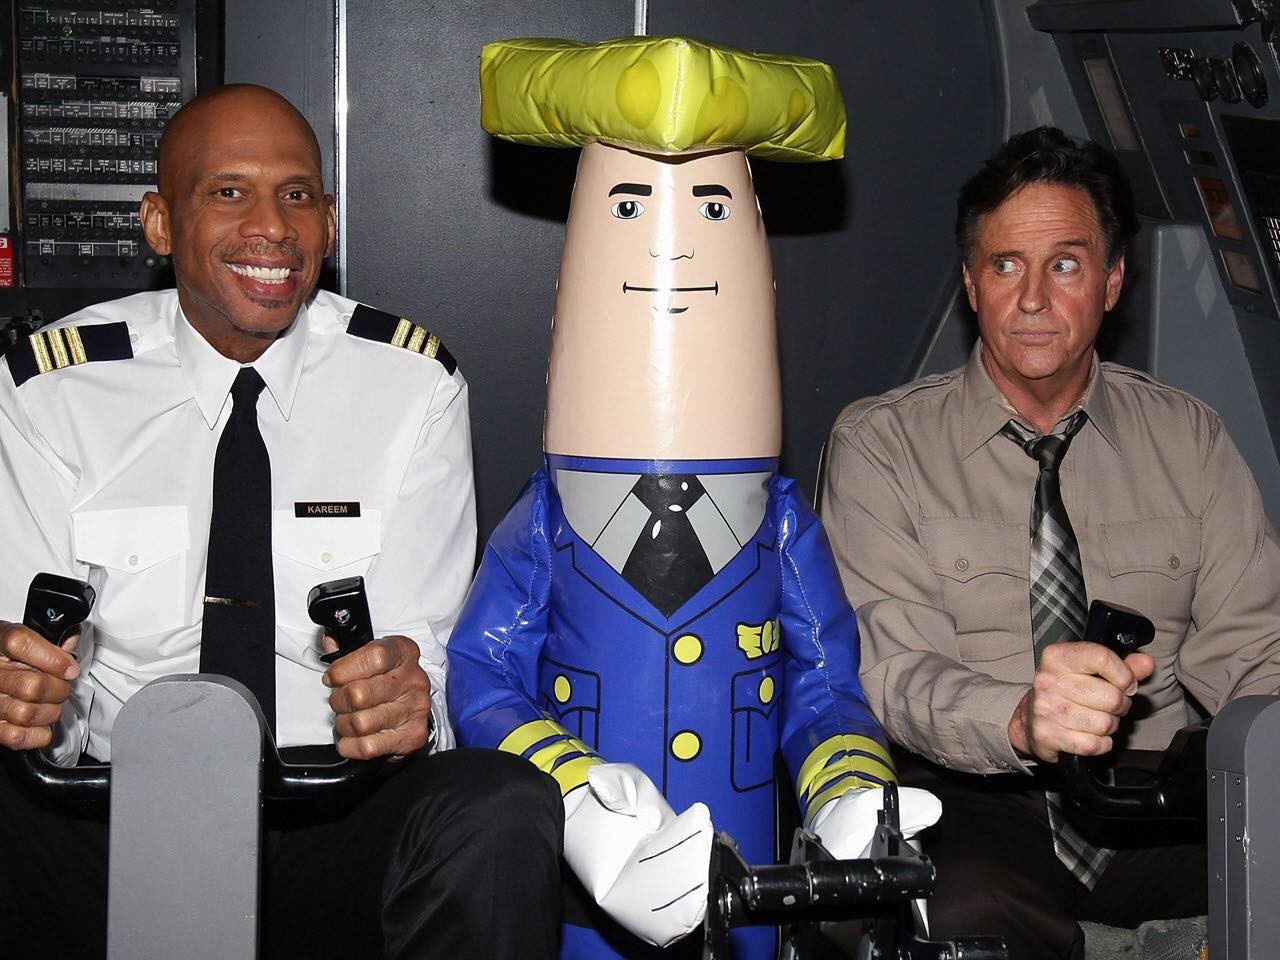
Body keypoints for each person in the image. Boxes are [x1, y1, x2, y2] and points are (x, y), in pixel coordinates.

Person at [0, 84, 561, 960]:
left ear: (328, 223)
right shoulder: (51, 390)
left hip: (332, 811)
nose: (272, 226)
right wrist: (28, 700)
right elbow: (28, 674)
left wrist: (404, 699)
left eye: (297, 195)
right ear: (159, 222)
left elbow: (422, 656)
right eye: (229, 192)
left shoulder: (411, 386)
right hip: (109, 810)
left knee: (499, 807)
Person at [449, 36, 938, 960]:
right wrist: (576, 797)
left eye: (715, 207)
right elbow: (482, 673)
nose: (668, 245)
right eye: (625, 207)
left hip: (747, 900)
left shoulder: (779, 524)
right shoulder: (548, 522)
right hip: (580, 917)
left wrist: (846, 791)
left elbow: (824, 684)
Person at [820, 124, 1280, 959]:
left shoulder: (1190, 439)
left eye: (1065, 264)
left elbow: (1257, 652)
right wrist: (1023, 717)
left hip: (1151, 796)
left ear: (1112, 281)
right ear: (971, 284)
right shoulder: (881, 446)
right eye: (1006, 266)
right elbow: (892, 670)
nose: (1032, 299)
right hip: (971, 791)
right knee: (956, 916)